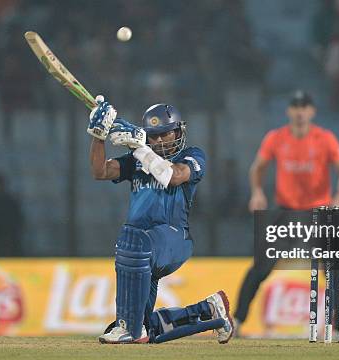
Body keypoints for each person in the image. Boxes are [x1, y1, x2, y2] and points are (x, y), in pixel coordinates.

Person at [87, 95, 234, 344]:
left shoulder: (193, 155)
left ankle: (129, 330)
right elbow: (100, 171)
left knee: (133, 240)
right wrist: (98, 136)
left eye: (165, 133)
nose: (159, 140)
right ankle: (210, 310)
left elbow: (173, 176)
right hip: (142, 249)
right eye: (153, 135)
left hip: (173, 238)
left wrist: (140, 148)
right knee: (147, 327)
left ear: (178, 131)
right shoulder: (137, 160)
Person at [234, 91, 339, 334]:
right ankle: (236, 321)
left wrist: (338, 200)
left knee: (334, 268)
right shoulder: (276, 138)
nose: (300, 112)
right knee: (260, 266)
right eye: (296, 107)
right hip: (287, 211)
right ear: (289, 111)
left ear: (312, 112)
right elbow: (257, 168)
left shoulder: (325, 138)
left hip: (320, 210)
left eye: (305, 107)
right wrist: (257, 192)